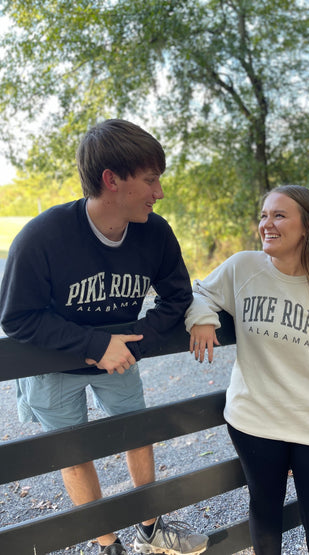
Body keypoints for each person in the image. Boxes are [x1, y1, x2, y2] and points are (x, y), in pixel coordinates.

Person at [0, 119, 209, 555]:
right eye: (151, 180)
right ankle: (107, 543)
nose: (159, 192)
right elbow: (17, 318)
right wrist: (94, 346)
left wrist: (134, 343)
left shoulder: (155, 233)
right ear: (112, 180)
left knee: (139, 433)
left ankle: (150, 530)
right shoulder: (42, 238)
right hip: (53, 363)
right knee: (74, 453)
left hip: (121, 357)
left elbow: (177, 296)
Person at [184, 185, 309, 555]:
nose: (266, 224)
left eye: (279, 215)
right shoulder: (242, 266)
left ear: (307, 226)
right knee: (265, 515)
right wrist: (203, 318)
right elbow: (199, 291)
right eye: (263, 215)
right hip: (255, 421)